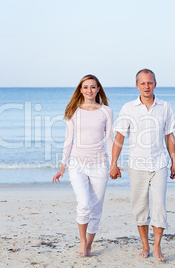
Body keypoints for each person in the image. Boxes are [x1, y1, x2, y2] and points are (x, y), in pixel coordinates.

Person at [110, 69, 175, 261]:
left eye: (149, 83)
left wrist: (174, 162)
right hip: (137, 165)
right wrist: (113, 164)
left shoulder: (165, 107)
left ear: (155, 84)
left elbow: (169, 136)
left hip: (160, 165)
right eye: (142, 83)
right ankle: (145, 246)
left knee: (159, 206)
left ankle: (157, 247)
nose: (146, 86)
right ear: (137, 86)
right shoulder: (128, 108)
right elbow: (119, 137)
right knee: (139, 207)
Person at [53, 74, 114, 257]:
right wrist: (63, 165)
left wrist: (114, 164)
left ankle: (88, 246)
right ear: (80, 90)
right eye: (86, 87)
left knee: (96, 208)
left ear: (98, 89)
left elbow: (110, 139)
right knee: (84, 204)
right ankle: (82, 243)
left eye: (93, 87)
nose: (89, 91)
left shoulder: (106, 111)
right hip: (77, 165)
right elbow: (68, 140)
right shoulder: (73, 111)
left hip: (99, 165)